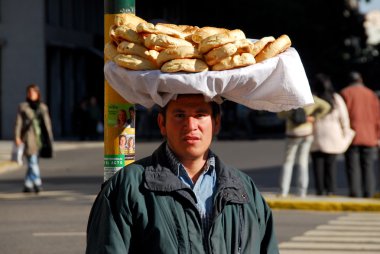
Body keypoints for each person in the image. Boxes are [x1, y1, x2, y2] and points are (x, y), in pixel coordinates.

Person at [86, 94, 279, 253]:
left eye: (200, 114)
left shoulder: (244, 189)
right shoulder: (129, 186)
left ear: (216, 122)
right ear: (162, 123)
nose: (190, 125)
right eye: (179, 115)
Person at [310, 73, 355, 196]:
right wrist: (346, 132)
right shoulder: (336, 98)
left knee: (317, 165)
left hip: (316, 135)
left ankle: (320, 190)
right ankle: (331, 190)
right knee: (331, 166)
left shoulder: (312, 98)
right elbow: (344, 118)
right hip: (333, 135)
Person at [277, 95, 331, 197]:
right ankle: (302, 191)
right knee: (303, 161)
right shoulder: (310, 98)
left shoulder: (289, 98)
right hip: (306, 132)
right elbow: (326, 106)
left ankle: (283, 191)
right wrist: (314, 117)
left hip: (292, 133)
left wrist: (290, 114)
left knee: (288, 162)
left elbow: (280, 114)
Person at [340, 71, 380, 197]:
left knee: (352, 167)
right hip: (370, 136)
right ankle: (369, 192)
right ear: (361, 80)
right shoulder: (371, 94)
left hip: (352, 135)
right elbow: (378, 117)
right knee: (368, 167)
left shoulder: (345, 93)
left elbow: (342, 116)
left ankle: (355, 192)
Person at [14, 84, 54, 193]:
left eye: (33, 92)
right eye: (29, 92)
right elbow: (18, 123)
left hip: (40, 138)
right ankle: (37, 182)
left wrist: (50, 138)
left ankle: (28, 184)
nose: (31, 94)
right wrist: (17, 137)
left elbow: (47, 123)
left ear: (38, 93)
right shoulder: (23, 107)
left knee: (34, 161)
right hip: (28, 138)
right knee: (32, 161)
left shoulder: (42, 107)